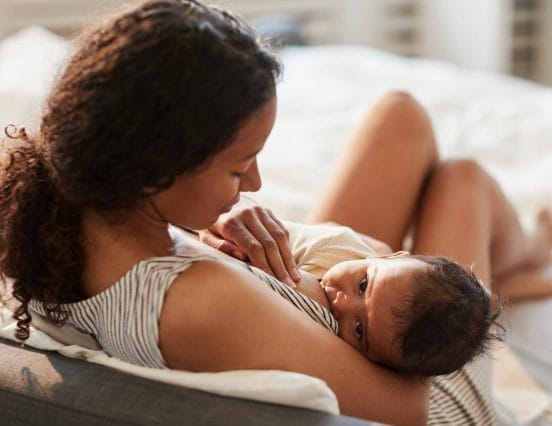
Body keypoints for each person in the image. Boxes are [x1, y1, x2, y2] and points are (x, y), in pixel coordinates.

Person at [0, 0, 548, 424]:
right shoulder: (201, 304)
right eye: (239, 170)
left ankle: (517, 265)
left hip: (323, 297)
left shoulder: (67, 206)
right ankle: (523, 263)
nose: (256, 183)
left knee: (400, 116)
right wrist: (374, 261)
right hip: (429, 375)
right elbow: (405, 409)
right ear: (158, 167)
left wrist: (212, 225)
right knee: (462, 179)